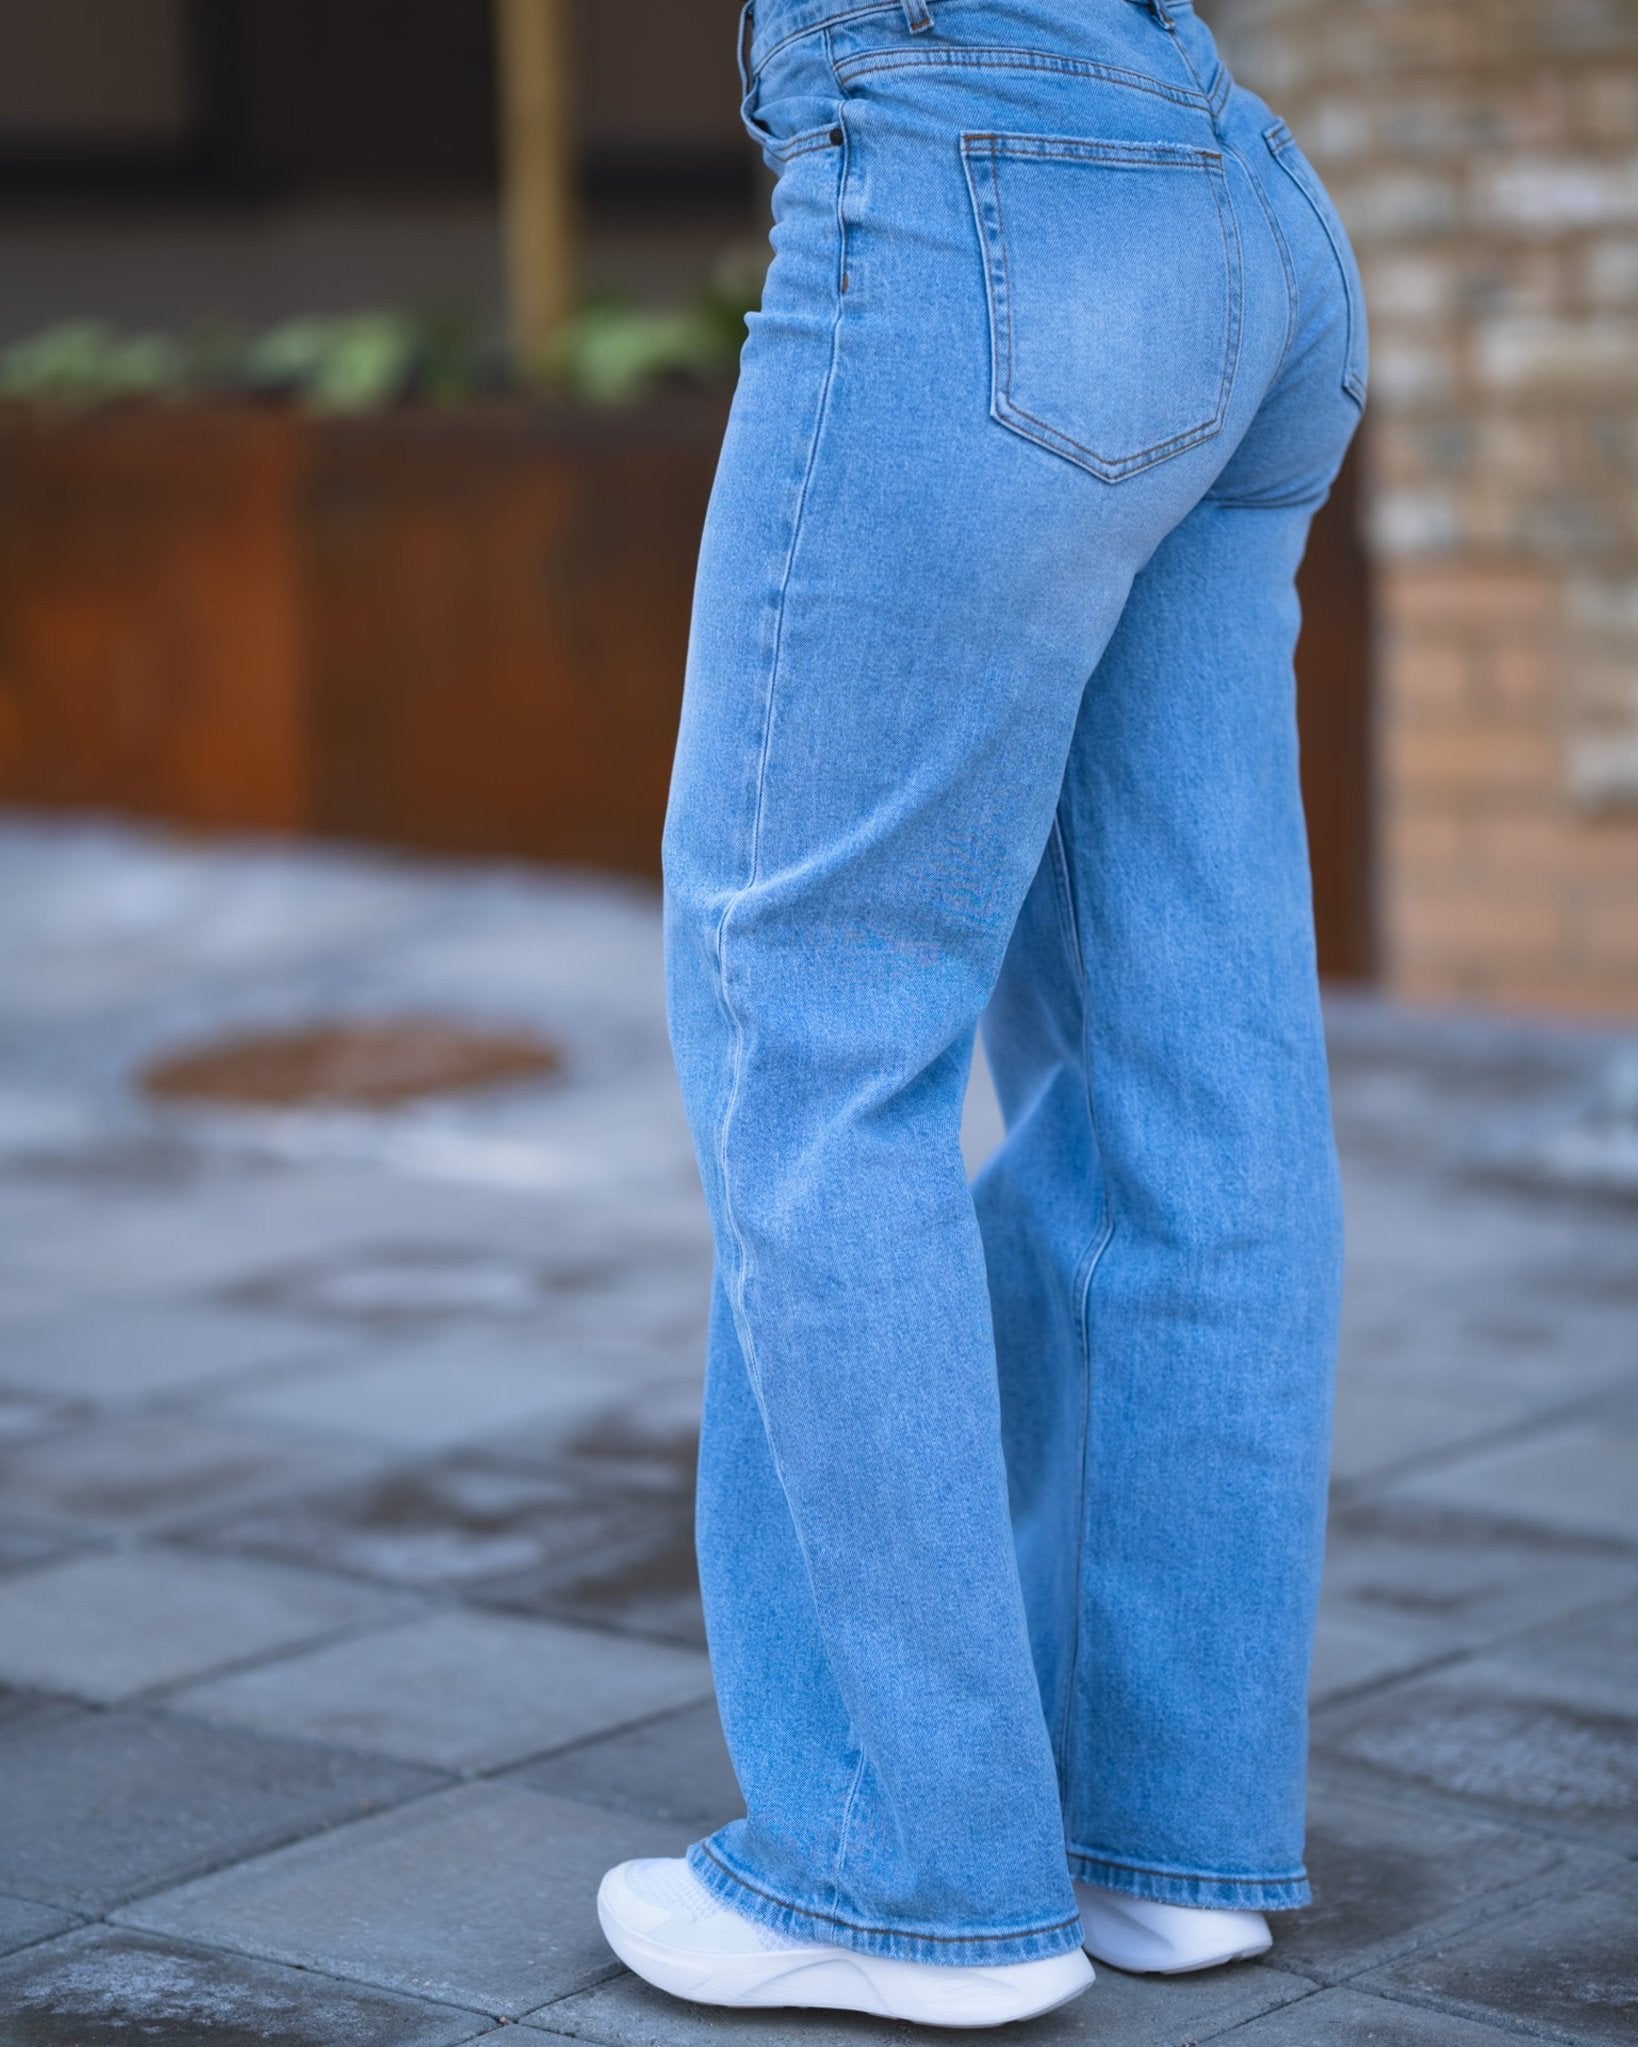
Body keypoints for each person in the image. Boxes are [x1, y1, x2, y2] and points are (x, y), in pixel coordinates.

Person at [598, 0, 1366, 2026]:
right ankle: (1155, 1829)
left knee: (813, 1025)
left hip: (974, 188)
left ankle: (905, 1867)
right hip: (1227, 199)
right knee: (1183, 1068)